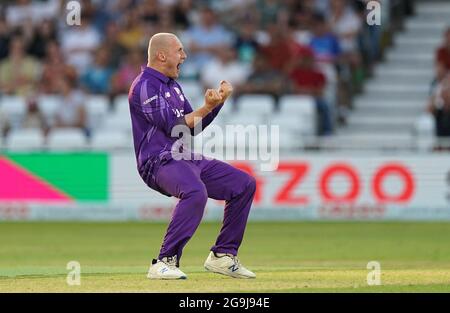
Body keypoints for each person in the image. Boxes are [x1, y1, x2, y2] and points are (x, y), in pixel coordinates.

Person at [128, 33, 256, 280]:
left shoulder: (172, 85)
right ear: (162, 55)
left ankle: (222, 256)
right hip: (157, 161)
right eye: (179, 51)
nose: (184, 56)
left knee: (244, 184)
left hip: (183, 157)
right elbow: (173, 125)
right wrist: (207, 106)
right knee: (195, 191)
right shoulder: (144, 85)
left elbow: (193, 127)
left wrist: (217, 103)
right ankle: (164, 261)